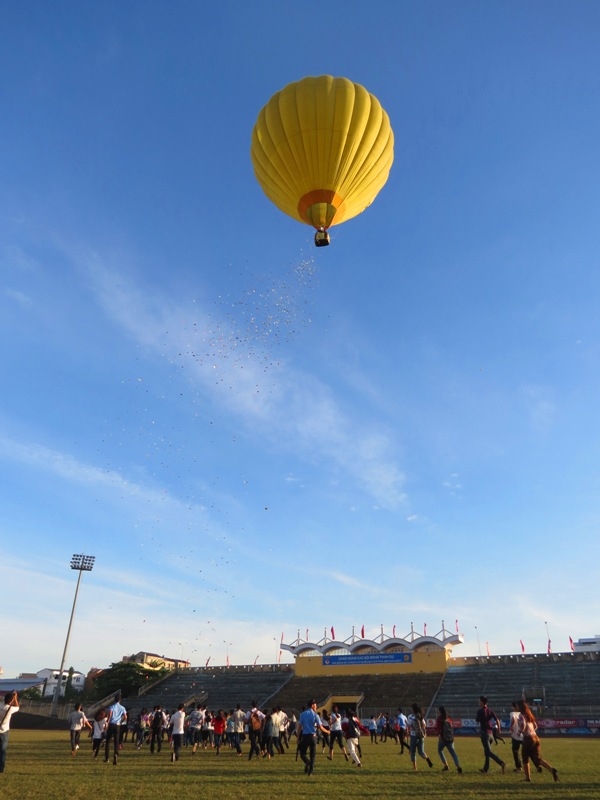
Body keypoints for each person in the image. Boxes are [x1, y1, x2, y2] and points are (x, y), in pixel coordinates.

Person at [517, 700, 558, 782]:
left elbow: (523, 725)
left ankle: (527, 778)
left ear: (519, 707)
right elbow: (535, 725)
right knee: (537, 759)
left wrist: (520, 732)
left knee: (525, 758)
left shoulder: (521, 715)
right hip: (535, 737)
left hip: (528, 738)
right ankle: (551, 769)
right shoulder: (529, 714)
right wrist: (532, 732)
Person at [297, 700, 329, 776]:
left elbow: (299, 727)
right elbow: (320, 727)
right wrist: (327, 731)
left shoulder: (302, 714)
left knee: (302, 753)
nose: (316, 707)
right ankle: (310, 771)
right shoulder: (315, 715)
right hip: (313, 737)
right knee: (313, 755)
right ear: (312, 706)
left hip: (305, 737)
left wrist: (298, 737)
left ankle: (307, 762)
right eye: (315, 705)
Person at [476, 696, 506, 774]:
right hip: (491, 734)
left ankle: (501, 762)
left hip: (484, 733)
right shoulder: (490, 710)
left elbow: (477, 721)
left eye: (479, 701)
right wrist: (499, 728)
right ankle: (485, 769)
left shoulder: (480, 711)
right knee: (487, 752)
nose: (479, 702)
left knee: (488, 752)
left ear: (482, 702)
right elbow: (497, 720)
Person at [407, 703, 433, 770]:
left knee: (413, 752)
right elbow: (424, 725)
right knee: (421, 751)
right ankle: (427, 758)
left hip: (414, 735)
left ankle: (415, 767)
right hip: (421, 736)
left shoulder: (411, 716)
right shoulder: (421, 716)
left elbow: (410, 725)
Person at [436, 706, 462, 773]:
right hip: (450, 738)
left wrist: (440, 735)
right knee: (453, 753)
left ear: (440, 711)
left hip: (443, 738)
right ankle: (458, 766)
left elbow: (438, 728)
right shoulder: (448, 718)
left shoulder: (439, 719)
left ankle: (446, 765)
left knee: (440, 750)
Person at [104, 693, 127, 765]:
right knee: (116, 742)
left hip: (111, 724)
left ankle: (107, 757)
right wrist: (121, 722)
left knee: (108, 741)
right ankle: (116, 755)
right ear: (120, 700)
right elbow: (125, 717)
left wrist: (107, 722)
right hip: (117, 725)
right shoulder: (122, 708)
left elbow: (110, 715)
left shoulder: (112, 707)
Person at [0, 691, 19, 774]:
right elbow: (17, 707)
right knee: (2, 750)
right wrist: (15, 697)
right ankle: (1, 768)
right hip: (4, 730)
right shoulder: (10, 709)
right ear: (11, 701)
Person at [509, 700, 523, 772]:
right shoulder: (521, 713)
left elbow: (513, 719)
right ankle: (537, 765)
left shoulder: (512, 713)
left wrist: (511, 726)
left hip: (516, 736)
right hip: (523, 735)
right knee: (530, 751)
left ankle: (519, 767)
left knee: (515, 751)